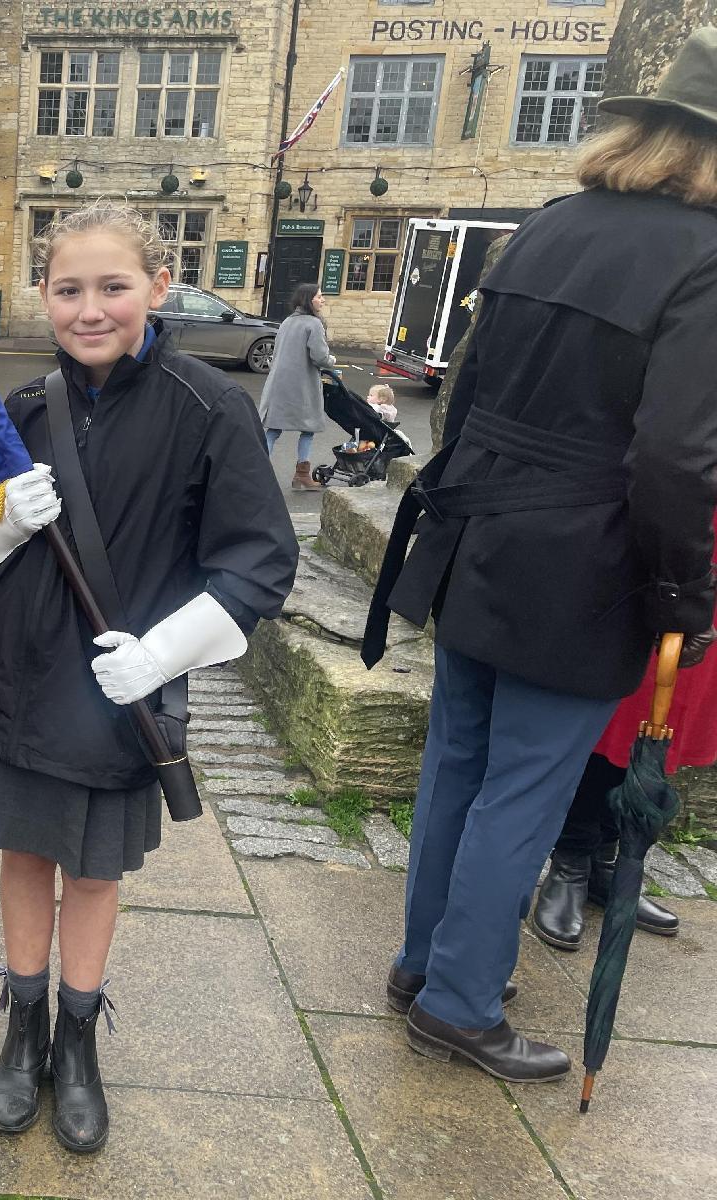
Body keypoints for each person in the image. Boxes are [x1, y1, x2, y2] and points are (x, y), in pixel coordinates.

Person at [365, 30, 717, 1086]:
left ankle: (427, 962)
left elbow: (462, 396)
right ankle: (459, 1005)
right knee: (522, 786)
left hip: (478, 535)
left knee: (457, 767)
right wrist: (682, 595)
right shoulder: (706, 260)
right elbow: (676, 456)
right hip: (583, 565)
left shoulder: (550, 223)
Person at [0, 201, 297, 1155]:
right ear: (44, 294)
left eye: (113, 286)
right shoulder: (22, 409)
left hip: (117, 694)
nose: (90, 308)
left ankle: (77, 1039)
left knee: (94, 871)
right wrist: (3, 522)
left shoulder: (209, 406)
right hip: (17, 676)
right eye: (69, 289)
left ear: (157, 285)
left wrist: (162, 654)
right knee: (24, 855)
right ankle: (22, 1029)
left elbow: (259, 561)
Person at [532, 504, 717, 949]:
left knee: (666, 719)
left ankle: (606, 862)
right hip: (675, 537)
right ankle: (571, 860)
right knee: (619, 713)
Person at [260, 282, 335, 492]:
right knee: (308, 428)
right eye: (319, 296)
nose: (322, 300)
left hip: (278, 383)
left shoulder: (287, 321)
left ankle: (257, 471)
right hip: (302, 385)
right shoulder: (314, 324)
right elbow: (320, 357)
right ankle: (302, 474)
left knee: (273, 429)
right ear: (309, 299)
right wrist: (332, 360)